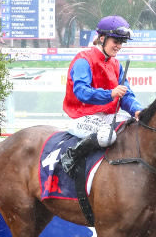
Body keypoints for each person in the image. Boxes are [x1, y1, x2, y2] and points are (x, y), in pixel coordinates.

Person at [60, 15, 143, 177]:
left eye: (121, 43)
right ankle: (71, 155)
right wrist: (110, 94)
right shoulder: (83, 60)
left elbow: (126, 95)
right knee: (108, 137)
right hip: (82, 116)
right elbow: (81, 92)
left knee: (136, 131)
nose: (119, 46)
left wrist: (138, 110)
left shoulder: (116, 65)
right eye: (116, 41)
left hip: (108, 116)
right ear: (102, 38)